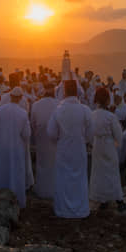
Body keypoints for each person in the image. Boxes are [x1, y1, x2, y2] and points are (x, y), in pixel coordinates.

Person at [47, 81, 93, 218]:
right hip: (79, 149)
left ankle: (63, 209)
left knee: (63, 178)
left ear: (64, 92)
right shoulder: (85, 110)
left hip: (63, 149)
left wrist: (60, 140)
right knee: (79, 178)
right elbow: (90, 132)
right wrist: (82, 140)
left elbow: (51, 133)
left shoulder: (58, 110)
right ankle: (80, 209)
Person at [0, 87, 31, 208]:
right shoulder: (23, 113)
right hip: (17, 148)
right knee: (16, 173)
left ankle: (1, 201)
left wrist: (0, 137)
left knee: (2, 172)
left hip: (1, 147)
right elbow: (27, 134)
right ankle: (18, 202)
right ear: (20, 98)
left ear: (10, 96)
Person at [89, 87, 126, 211]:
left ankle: (102, 199)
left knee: (99, 172)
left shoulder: (92, 114)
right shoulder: (110, 116)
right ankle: (119, 201)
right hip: (108, 145)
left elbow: (89, 133)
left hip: (97, 145)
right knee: (112, 172)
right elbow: (119, 136)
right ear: (107, 100)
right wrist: (115, 146)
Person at [30, 82, 60, 199]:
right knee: (54, 164)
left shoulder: (36, 105)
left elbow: (33, 123)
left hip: (41, 138)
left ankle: (42, 191)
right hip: (55, 140)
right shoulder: (59, 104)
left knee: (42, 164)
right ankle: (54, 191)